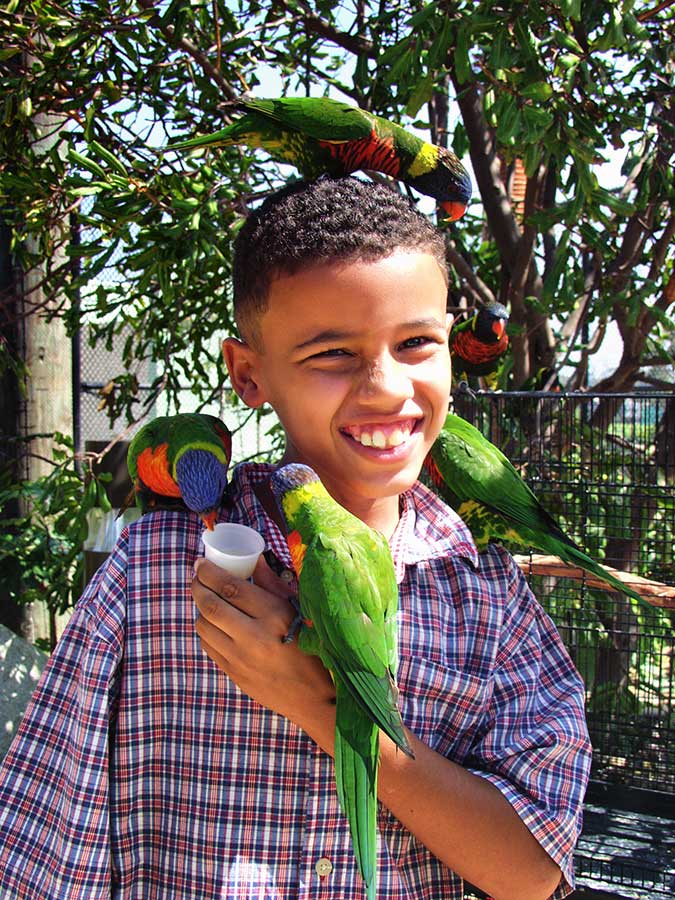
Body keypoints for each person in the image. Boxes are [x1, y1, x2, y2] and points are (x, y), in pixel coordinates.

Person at [0, 177, 591, 900]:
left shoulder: (482, 590)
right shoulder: (157, 570)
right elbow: (46, 850)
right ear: (249, 374)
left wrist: (318, 701)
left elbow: (532, 874)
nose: (384, 387)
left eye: (416, 343)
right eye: (331, 354)